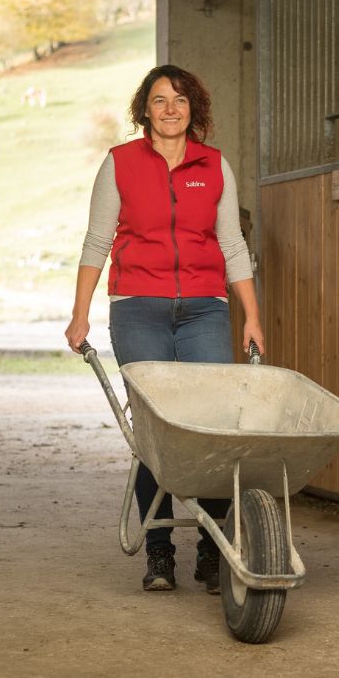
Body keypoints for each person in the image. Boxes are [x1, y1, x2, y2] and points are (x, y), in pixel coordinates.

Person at [65, 64, 265, 595]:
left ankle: (209, 549)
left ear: (193, 107)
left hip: (204, 309)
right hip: (138, 309)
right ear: (144, 110)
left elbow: (232, 246)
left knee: (211, 426)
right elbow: (96, 242)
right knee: (153, 427)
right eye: (159, 100)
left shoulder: (214, 165)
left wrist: (252, 316)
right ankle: (158, 552)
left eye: (179, 99)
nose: (170, 109)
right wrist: (80, 312)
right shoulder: (120, 164)